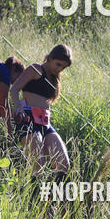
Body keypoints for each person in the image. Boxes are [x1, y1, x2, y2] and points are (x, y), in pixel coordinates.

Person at [9, 44, 72, 176]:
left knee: (63, 164)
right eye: (58, 64)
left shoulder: (54, 78)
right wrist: (18, 106)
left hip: (45, 122)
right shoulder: (35, 69)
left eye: (63, 67)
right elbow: (14, 89)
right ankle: (33, 189)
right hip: (28, 119)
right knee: (38, 164)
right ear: (50, 58)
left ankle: (55, 190)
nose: (60, 69)